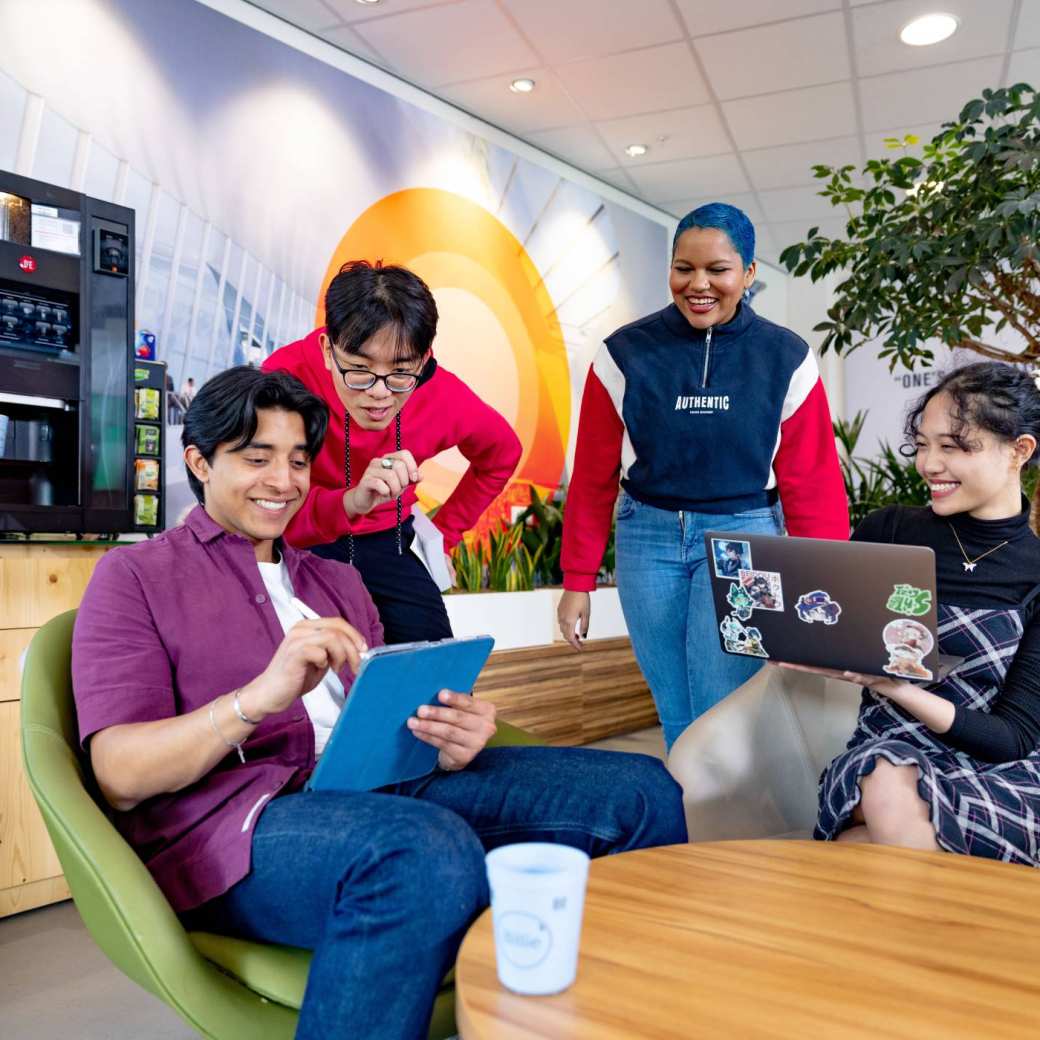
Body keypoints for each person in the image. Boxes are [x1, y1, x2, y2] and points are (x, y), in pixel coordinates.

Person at [71, 366, 687, 1039]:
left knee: (642, 790)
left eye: (299, 460)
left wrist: (453, 733)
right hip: (246, 827)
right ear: (198, 462)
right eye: (256, 458)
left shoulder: (336, 581)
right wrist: (256, 699)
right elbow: (120, 776)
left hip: (389, 794)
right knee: (417, 851)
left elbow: (384, 723)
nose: (283, 481)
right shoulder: (134, 577)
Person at [557, 203, 849, 750]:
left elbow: (811, 482)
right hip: (647, 538)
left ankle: (731, 827)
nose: (699, 284)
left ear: (749, 273)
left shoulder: (785, 357)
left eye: (718, 269)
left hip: (746, 538)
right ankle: (693, 829)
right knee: (674, 710)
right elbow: (594, 476)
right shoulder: (623, 354)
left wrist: (823, 585)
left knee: (723, 708)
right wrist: (578, 580)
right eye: (683, 268)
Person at [796, 362, 1040, 863]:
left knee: (859, 849)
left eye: (952, 447)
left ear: (1019, 450)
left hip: (998, 770)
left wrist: (896, 687)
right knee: (887, 781)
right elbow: (825, 620)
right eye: (922, 444)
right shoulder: (888, 530)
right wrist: (800, 634)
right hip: (885, 753)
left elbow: (1012, 737)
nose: (928, 464)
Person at [263, 261, 521, 644]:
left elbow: (502, 453)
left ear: (424, 358)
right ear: (328, 350)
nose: (380, 392)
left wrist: (445, 533)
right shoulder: (283, 380)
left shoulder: (441, 393)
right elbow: (265, 494)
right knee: (315, 671)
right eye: (360, 370)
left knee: (437, 677)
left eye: (401, 372)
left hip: (390, 540)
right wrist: (349, 502)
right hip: (300, 539)